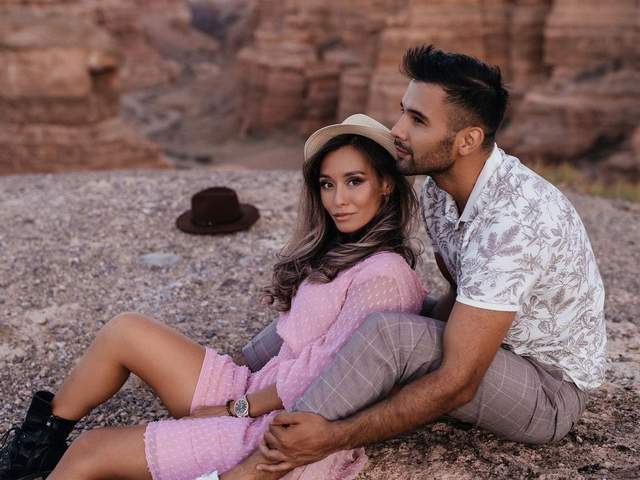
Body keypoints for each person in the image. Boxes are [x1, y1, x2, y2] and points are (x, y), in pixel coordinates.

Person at [220, 44, 607, 479]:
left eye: (418, 120)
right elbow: (457, 289)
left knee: (391, 336)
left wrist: (335, 435)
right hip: (489, 340)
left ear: (468, 140)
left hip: (547, 388)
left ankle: (254, 466)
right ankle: (235, 377)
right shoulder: (440, 191)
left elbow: (459, 383)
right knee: (358, 290)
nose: (397, 130)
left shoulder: (513, 223)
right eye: (403, 112)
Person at [0, 115, 426, 479]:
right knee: (124, 330)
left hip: (277, 422)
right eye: (327, 184)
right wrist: (228, 374)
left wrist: (233, 408)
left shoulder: (385, 276)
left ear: (387, 185)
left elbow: (325, 377)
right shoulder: (346, 251)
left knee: (91, 450)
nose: (338, 200)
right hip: (259, 388)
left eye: (355, 181)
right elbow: (289, 337)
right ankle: (35, 450)